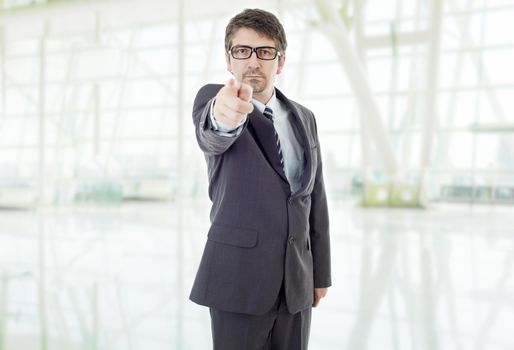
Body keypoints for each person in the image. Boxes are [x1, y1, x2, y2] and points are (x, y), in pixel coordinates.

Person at [189, 8, 331, 350]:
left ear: (279, 62)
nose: (253, 61)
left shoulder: (304, 117)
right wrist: (225, 115)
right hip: (238, 281)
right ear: (229, 59)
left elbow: (315, 199)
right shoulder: (214, 99)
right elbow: (214, 131)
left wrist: (320, 273)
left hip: (296, 283)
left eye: (265, 52)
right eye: (242, 51)